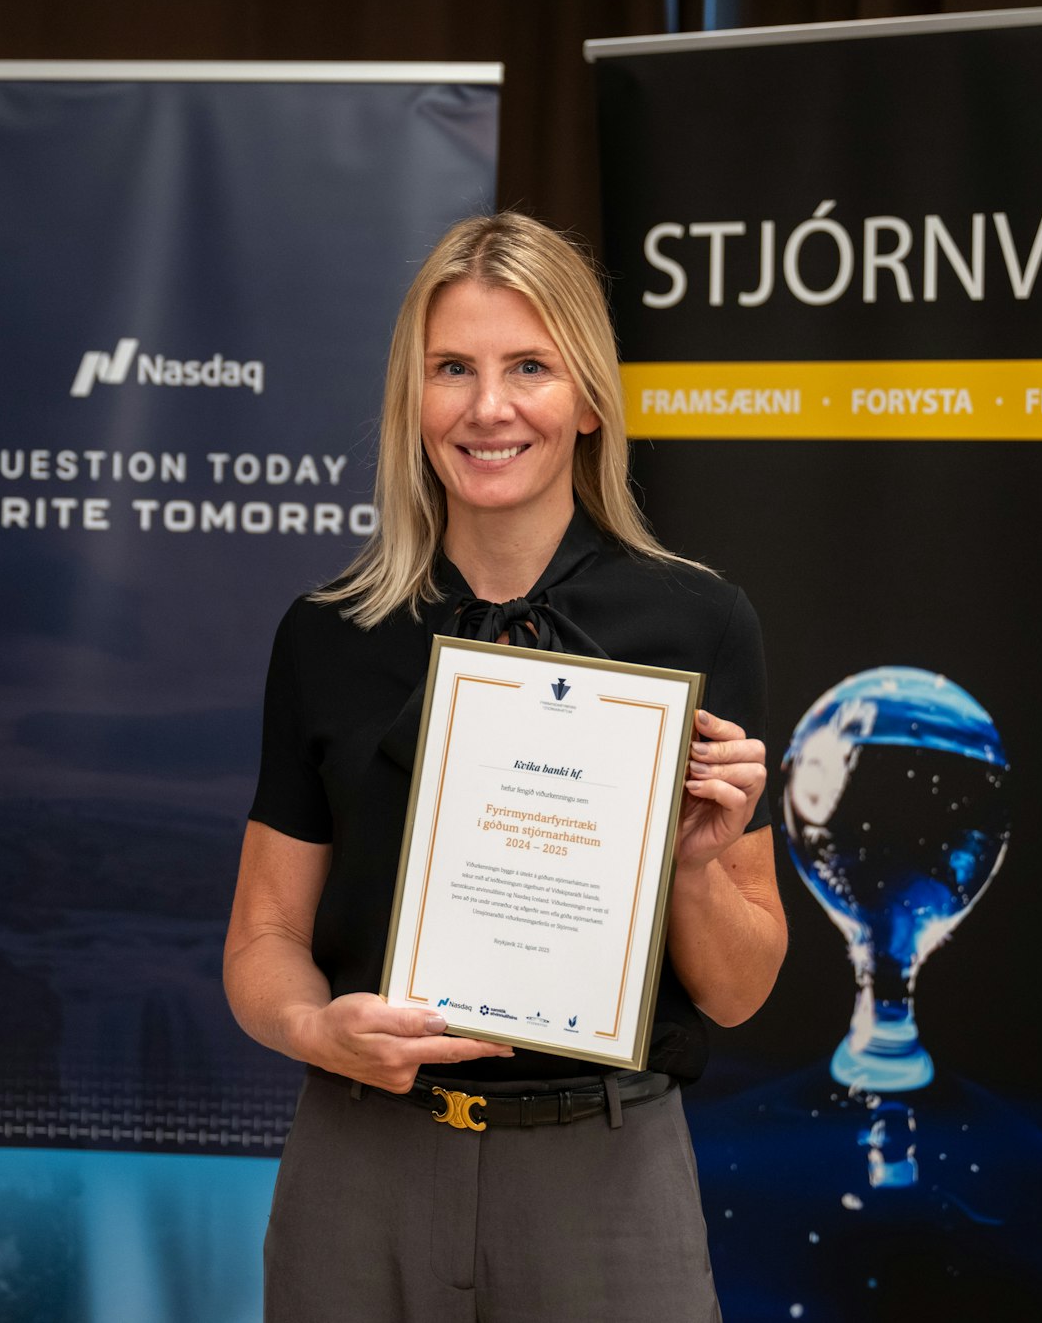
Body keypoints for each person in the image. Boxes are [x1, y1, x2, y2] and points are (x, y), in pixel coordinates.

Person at [224, 211, 786, 1322]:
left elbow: (737, 990)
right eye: (452, 369)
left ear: (588, 400)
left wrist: (687, 864)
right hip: (362, 1160)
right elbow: (263, 936)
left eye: (529, 365)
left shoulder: (699, 624)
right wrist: (313, 1028)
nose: (488, 407)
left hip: (604, 1179)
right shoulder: (328, 633)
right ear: (412, 400)